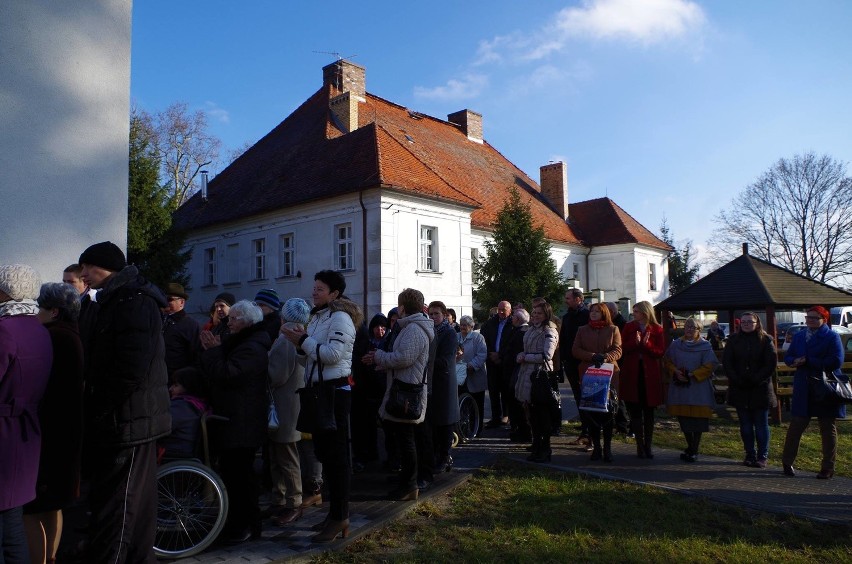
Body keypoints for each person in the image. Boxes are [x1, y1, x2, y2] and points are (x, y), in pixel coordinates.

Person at [78, 241, 171, 562]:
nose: (83, 274)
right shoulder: (116, 298)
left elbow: (130, 368)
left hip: (128, 421)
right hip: (127, 418)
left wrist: (101, 405)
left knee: (119, 508)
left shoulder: (133, 300)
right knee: (134, 506)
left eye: (87, 266)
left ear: (106, 266)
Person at [281, 270, 362, 543]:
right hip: (318, 391)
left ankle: (341, 517)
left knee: (337, 459)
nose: (314, 292)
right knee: (325, 456)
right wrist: (299, 344)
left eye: (320, 288)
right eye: (314, 287)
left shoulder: (340, 317)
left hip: (335, 393)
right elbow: (310, 360)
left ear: (335, 294)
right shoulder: (319, 317)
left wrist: (303, 340)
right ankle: (334, 515)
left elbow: (331, 355)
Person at [200, 299, 271, 543]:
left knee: (242, 478)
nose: (228, 322)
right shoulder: (242, 342)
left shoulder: (252, 347)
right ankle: (237, 522)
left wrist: (213, 352)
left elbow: (228, 374)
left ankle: (247, 525)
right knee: (234, 475)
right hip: (235, 420)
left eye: (234, 319)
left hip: (242, 422)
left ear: (247, 322)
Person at [24, 283, 84, 564]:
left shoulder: (52, 337)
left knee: (33, 508)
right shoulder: (73, 334)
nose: (36, 313)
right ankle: (51, 558)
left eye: (41, 308)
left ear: (55, 311)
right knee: (54, 505)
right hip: (67, 432)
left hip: (49, 433)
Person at [0, 264, 52, 564]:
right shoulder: (38, 328)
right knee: (12, 521)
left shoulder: (5, 329)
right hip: (26, 431)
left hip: (5, 432)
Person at [365, 289, 433, 502]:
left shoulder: (413, 328)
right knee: (404, 440)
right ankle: (406, 483)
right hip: (404, 387)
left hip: (407, 392)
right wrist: (382, 363)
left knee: (406, 440)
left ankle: (409, 486)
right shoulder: (412, 326)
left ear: (403, 307)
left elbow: (404, 358)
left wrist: (379, 356)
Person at [781, 306, 846, 479]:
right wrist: (793, 361)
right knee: (796, 426)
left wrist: (809, 361)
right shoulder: (800, 336)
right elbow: (788, 356)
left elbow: (836, 361)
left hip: (825, 388)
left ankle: (827, 467)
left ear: (824, 319)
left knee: (827, 428)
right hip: (804, 387)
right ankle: (787, 463)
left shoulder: (832, 337)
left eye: (814, 318)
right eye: (808, 317)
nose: (810, 320)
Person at [268, 298, 311, 526]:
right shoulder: (297, 337)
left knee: (286, 456)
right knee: (279, 455)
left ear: (285, 318)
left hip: (285, 406)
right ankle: (279, 498)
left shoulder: (286, 340)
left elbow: (277, 375)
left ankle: (294, 502)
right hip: (287, 405)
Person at [723, 312, 778, 468]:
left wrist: (755, 378)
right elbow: (728, 363)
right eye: (744, 322)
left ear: (757, 323)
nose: (746, 324)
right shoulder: (733, 340)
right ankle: (749, 454)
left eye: (750, 322)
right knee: (745, 425)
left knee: (761, 424)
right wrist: (737, 379)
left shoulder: (766, 340)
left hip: (760, 388)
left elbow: (770, 364)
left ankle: (762, 456)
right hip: (740, 388)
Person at [663, 317, 719, 463]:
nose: (689, 329)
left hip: (698, 388)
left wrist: (693, 374)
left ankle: (694, 449)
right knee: (684, 419)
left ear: (699, 330)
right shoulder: (676, 345)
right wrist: (675, 371)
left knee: (698, 420)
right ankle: (690, 447)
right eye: (687, 326)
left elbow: (711, 364)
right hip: (680, 387)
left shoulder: (705, 346)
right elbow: (667, 360)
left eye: (692, 327)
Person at [573, 302, 622, 462]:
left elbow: (618, 349)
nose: (593, 314)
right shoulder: (582, 330)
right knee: (592, 413)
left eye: (597, 311)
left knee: (607, 414)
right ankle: (596, 447)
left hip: (608, 375)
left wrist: (606, 357)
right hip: (589, 375)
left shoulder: (613, 329)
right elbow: (576, 350)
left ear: (604, 313)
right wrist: (592, 356)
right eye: (591, 311)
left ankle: (607, 448)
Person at [619, 301, 665, 459]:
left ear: (645, 312)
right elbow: (623, 347)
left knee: (649, 412)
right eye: (634, 311)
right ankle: (639, 445)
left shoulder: (657, 329)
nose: (634, 314)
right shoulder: (629, 327)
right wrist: (635, 343)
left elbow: (660, 351)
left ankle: (648, 445)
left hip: (649, 375)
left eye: (637, 311)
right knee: (635, 410)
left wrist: (647, 345)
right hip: (633, 374)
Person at [515, 301, 559, 463]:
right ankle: (536, 443)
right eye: (533, 313)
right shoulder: (532, 329)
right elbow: (527, 349)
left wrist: (526, 357)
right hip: (527, 373)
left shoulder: (549, 330)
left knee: (542, 415)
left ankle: (545, 449)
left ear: (546, 314)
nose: (534, 316)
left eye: (538, 313)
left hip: (540, 376)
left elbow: (547, 355)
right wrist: (522, 354)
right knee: (532, 413)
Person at [352, 313, 389, 472]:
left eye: (383, 327)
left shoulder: (388, 343)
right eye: (376, 327)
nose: (379, 330)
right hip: (366, 390)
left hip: (382, 390)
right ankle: (369, 455)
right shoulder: (366, 343)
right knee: (366, 426)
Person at [426, 301, 459, 478]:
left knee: (445, 421)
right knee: (434, 422)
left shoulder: (449, 333)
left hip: (444, 381)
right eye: (430, 314)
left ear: (444, 315)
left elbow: (446, 360)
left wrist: (425, 361)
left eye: (436, 314)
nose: (432, 317)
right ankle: (437, 456)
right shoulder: (430, 331)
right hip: (432, 382)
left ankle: (445, 457)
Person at [560, 288, 590, 445]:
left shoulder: (587, 316)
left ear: (579, 299)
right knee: (578, 397)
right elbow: (564, 339)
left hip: (584, 363)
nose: (566, 301)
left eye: (569, 298)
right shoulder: (566, 317)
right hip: (571, 363)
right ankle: (585, 430)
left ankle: (590, 432)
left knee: (588, 397)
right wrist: (564, 358)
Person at [480, 301, 513, 428]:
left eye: (503, 309)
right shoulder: (490, 323)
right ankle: (495, 417)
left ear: (509, 310)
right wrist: (491, 354)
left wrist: (501, 355)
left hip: (506, 361)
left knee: (506, 389)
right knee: (493, 389)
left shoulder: (512, 324)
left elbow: (512, 343)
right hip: (491, 361)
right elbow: (483, 341)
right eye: (499, 309)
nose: (500, 312)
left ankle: (506, 415)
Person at [161, 282, 201, 377]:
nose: (166, 303)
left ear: (181, 302)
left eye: (169, 299)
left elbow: (196, 355)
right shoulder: (161, 320)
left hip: (177, 377)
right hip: (160, 375)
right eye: (164, 299)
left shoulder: (190, 325)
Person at [457, 315, 488, 435]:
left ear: (471, 326)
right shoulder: (456, 337)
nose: (462, 327)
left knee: (477, 404)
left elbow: (482, 355)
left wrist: (471, 365)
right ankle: (462, 429)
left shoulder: (478, 337)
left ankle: (477, 428)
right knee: (462, 404)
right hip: (460, 376)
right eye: (461, 324)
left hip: (474, 376)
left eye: (465, 325)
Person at [503, 309, 530, 442]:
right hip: (513, 370)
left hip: (516, 371)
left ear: (518, 319)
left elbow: (515, 351)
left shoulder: (522, 332)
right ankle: (518, 428)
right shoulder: (519, 331)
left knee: (517, 402)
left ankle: (520, 430)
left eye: (513, 316)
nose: (511, 318)